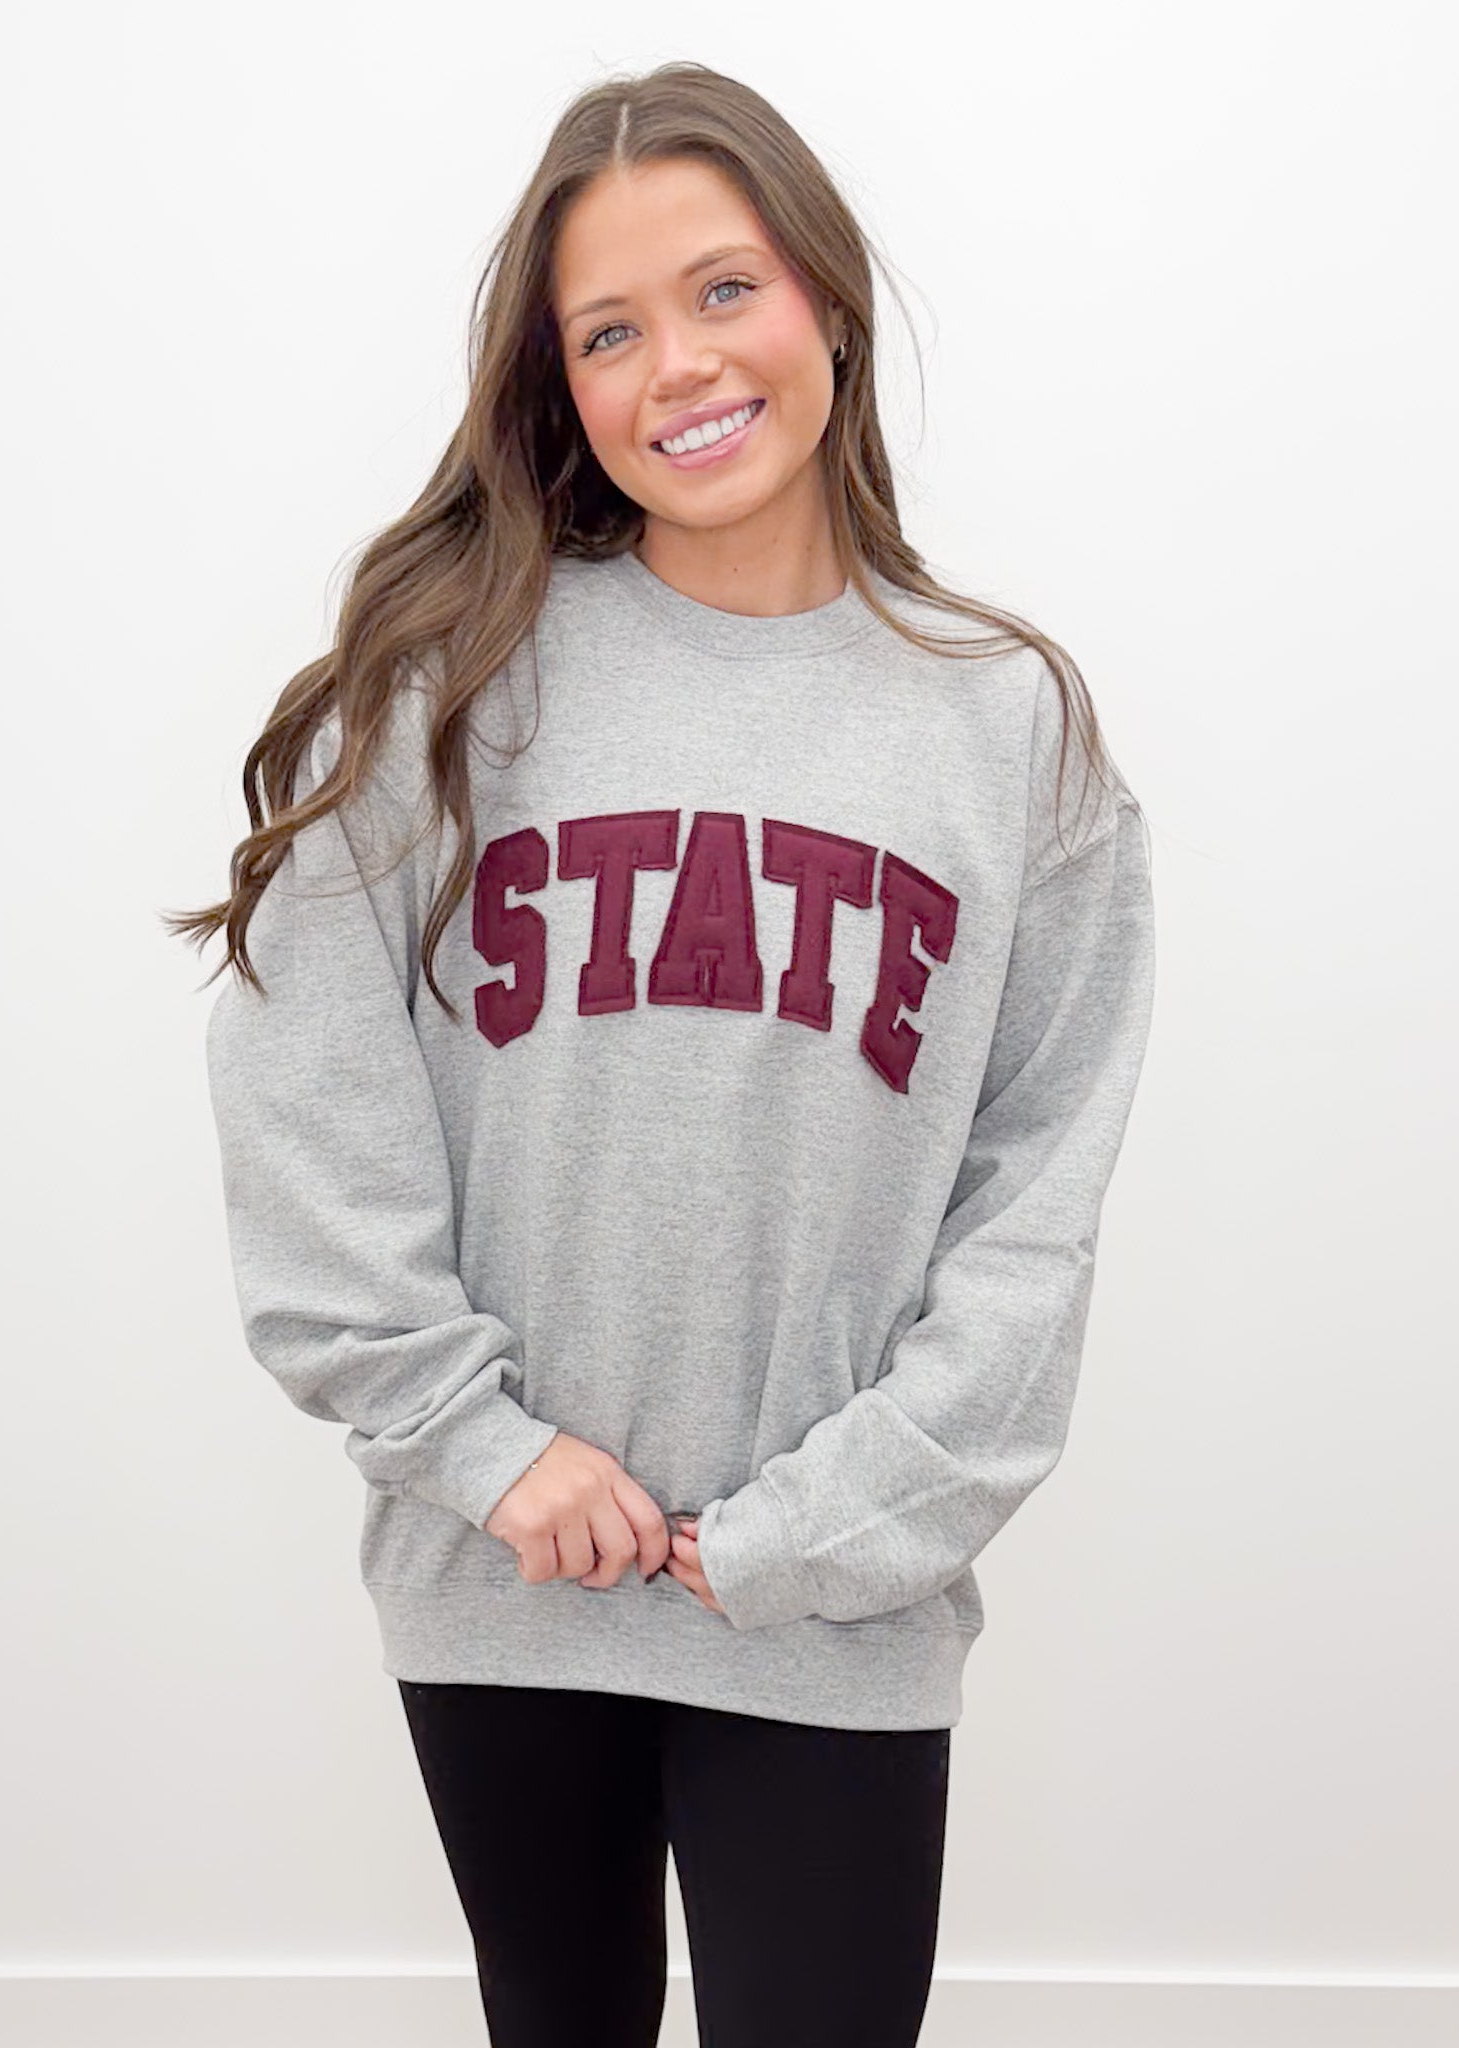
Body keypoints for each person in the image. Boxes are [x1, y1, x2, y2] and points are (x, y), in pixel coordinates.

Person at [169, 59, 1156, 2048]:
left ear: (826, 301)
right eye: (607, 330)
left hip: (844, 1599)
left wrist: (837, 1520)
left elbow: (1034, 1210)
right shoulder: (443, 695)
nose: (678, 365)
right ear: (558, 383)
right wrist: (485, 1448)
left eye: (723, 289)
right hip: (503, 1578)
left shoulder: (1009, 729)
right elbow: (310, 1109)